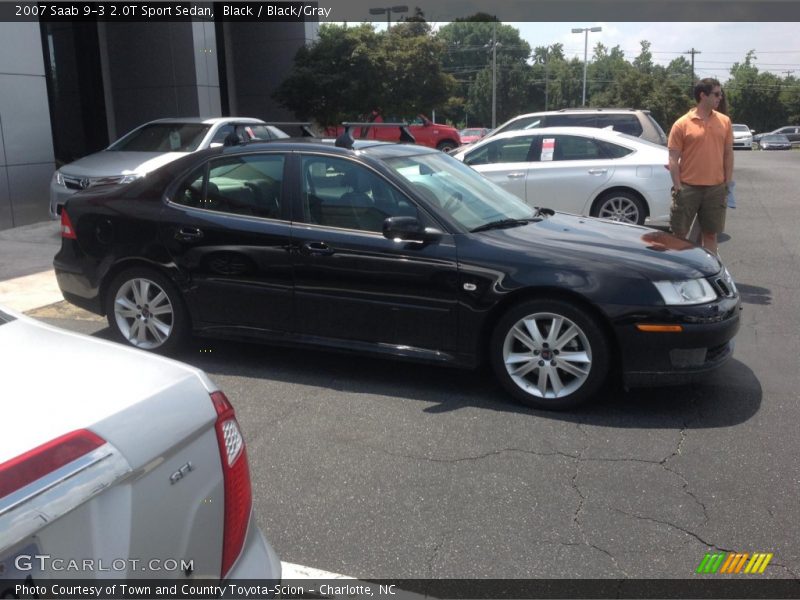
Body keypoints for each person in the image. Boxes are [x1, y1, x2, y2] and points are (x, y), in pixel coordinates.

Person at [668, 78, 733, 255]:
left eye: (721, 94)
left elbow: (728, 154)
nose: (720, 97)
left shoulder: (725, 122)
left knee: (710, 235)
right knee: (679, 235)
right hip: (688, 188)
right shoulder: (682, 124)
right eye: (717, 94)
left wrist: (727, 182)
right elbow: (673, 158)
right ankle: (679, 274)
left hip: (715, 188)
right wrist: (678, 186)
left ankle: (709, 275)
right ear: (703, 95)